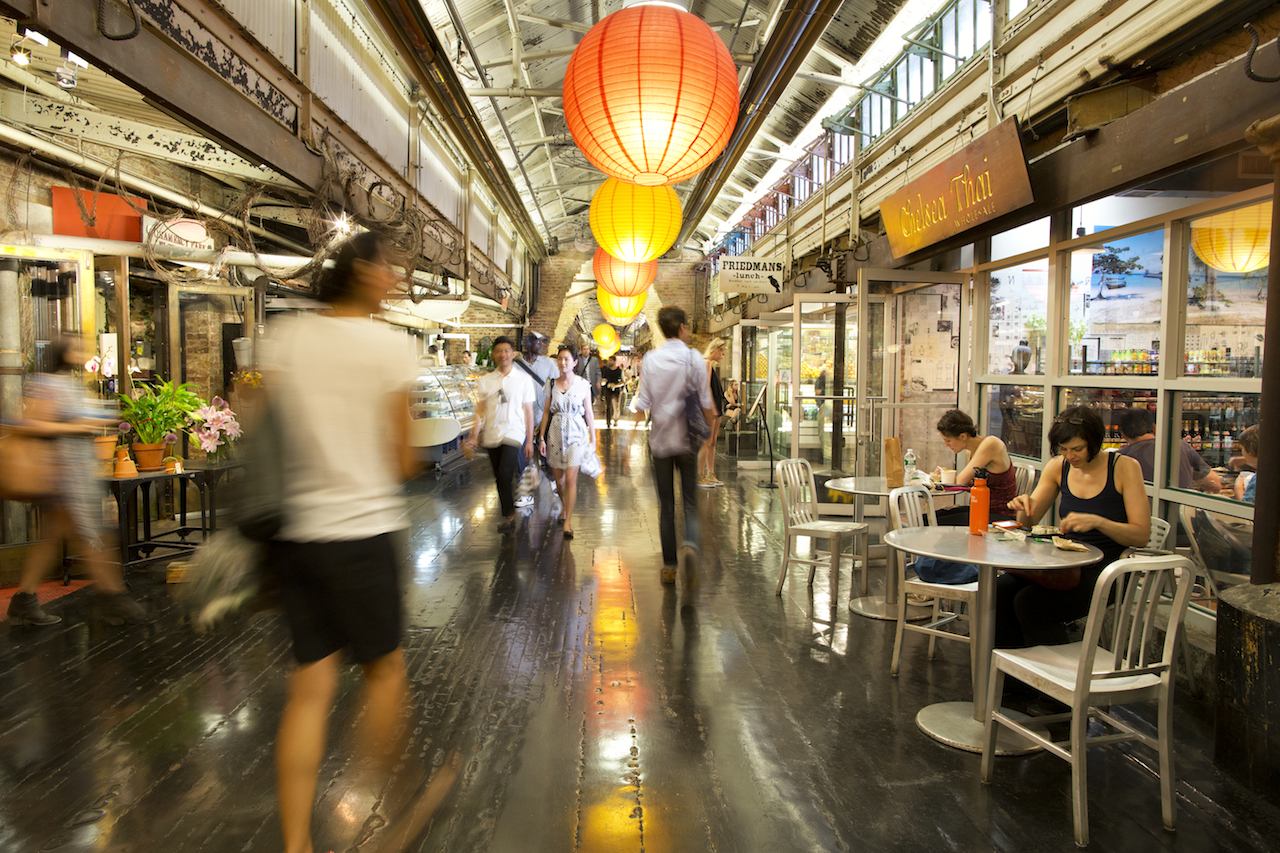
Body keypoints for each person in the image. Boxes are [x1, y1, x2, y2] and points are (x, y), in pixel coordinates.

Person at [265, 231, 431, 853]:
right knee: (384, 673)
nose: (395, 279)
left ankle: (295, 843)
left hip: (300, 533)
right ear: (363, 270)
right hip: (363, 531)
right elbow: (402, 459)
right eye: (390, 268)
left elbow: (265, 423)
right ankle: (387, 807)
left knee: (309, 687)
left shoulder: (291, 338)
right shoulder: (390, 347)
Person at [5, 337, 148, 626]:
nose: (83, 353)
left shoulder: (69, 384)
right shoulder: (48, 383)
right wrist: (79, 425)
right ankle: (112, 596)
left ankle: (25, 600)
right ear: (64, 353)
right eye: (77, 348)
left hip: (73, 477)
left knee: (54, 540)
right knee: (91, 537)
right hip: (62, 477)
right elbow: (33, 424)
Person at [1002, 406, 1151, 648]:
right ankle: (1010, 680)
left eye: (1077, 449)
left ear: (1094, 442)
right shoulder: (1058, 467)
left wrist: (1098, 522)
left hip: (1107, 571)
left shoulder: (1124, 467)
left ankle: (1056, 679)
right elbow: (1029, 522)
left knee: (1029, 603)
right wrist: (1023, 506)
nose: (1070, 456)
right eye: (1064, 449)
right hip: (1065, 567)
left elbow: (1141, 535)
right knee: (1001, 590)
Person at [631, 306, 714, 585]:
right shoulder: (694, 359)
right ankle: (690, 544)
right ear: (681, 327)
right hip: (688, 440)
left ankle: (669, 565)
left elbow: (642, 403)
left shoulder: (651, 360)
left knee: (666, 505)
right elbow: (706, 403)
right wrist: (708, 433)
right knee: (690, 502)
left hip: (661, 441)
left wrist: (631, 431)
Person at [464, 336, 535, 531]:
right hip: (492, 433)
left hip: (514, 432)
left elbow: (528, 411)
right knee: (499, 476)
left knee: (504, 474)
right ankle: (509, 514)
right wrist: (473, 435)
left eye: (506, 351)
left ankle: (511, 510)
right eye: (499, 351)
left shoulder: (523, 380)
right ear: (494, 355)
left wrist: (530, 440)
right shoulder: (486, 381)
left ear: (513, 354)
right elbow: (480, 411)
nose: (503, 354)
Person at [538, 345, 596, 539]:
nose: (563, 363)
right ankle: (564, 507)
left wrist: (593, 439)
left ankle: (568, 521)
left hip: (576, 432)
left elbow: (588, 413)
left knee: (571, 477)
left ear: (574, 363)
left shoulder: (582, 385)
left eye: (567, 359)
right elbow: (546, 411)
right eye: (560, 359)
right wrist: (541, 437)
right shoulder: (551, 384)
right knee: (559, 479)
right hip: (555, 430)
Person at [930, 409, 1018, 525]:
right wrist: (944, 474)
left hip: (999, 516)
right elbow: (966, 482)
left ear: (962, 436)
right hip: (981, 510)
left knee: (932, 522)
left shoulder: (990, 444)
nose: (946, 445)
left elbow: (960, 481)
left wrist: (944, 476)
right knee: (930, 517)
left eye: (948, 440)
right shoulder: (971, 451)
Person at [1116, 408, 1221, 492]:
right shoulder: (1179, 446)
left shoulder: (1119, 458)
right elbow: (1215, 484)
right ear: (1154, 428)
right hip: (1181, 514)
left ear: (1123, 434)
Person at [699, 339, 727, 487]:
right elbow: (705, 387)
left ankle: (710, 473)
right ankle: (701, 475)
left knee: (712, 442)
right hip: (711, 408)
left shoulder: (708, 364)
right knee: (707, 442)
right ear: (715, 349)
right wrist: (712, 409)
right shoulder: (707, 363)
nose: (723, 354)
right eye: (722, 351)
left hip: (714, 406)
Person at [1232, 425, 1259, 503]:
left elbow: (1247, 509)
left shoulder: (1260, 478)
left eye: (1242, 448)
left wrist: (1238, 487)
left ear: (1249, 450)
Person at [601, 355, 624, 428]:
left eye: (610, 360)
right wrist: (603, 382)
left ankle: (615, 420)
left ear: (614, 361)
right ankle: (608, 422)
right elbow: (603, 380)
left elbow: (623, 382)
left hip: (616, 391)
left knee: (616, 406)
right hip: (608, 390)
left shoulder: (619, 371)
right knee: (608, 406)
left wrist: (615, 385)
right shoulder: (606, 370)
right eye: (609, 360)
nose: (609, 362)